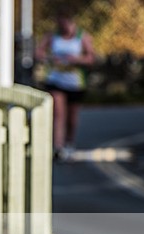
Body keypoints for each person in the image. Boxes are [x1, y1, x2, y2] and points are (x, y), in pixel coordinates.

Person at [35, 8, 95, 161]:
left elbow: (90, 58)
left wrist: (76, 60)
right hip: (56, 80)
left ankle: (69, 143)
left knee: (72, 117)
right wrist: (50, 58)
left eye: (66, 22)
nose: (64, 26)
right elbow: (39, 53)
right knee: (58, 113)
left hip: (75, 83)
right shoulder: (52, 36)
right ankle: (58, 147)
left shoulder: (82, 37)